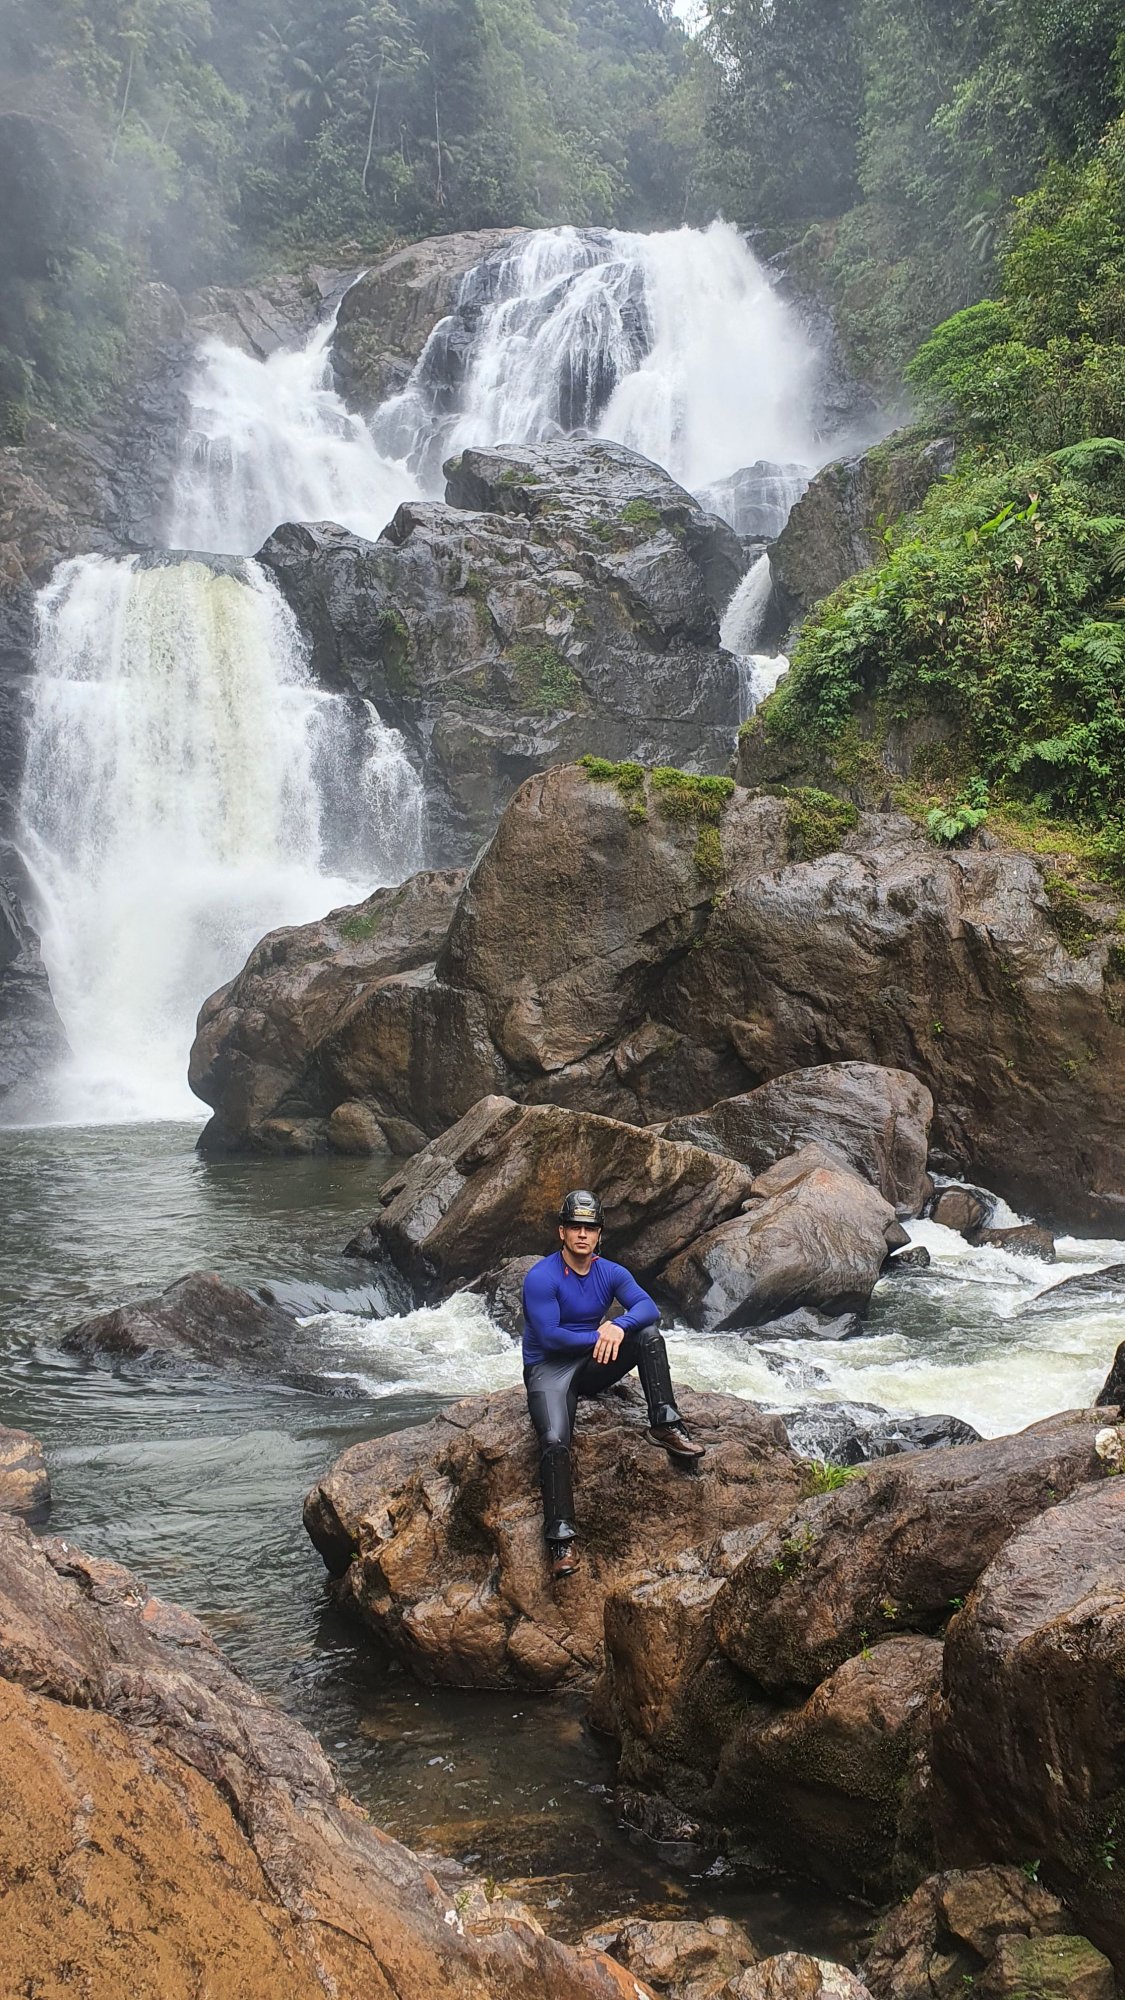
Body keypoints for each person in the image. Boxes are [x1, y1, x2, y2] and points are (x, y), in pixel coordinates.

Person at [522, 1188, 704, 1580]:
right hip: (549, 1369)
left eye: (589, 1228)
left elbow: (648, 1308)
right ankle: (561, 1541)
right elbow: (550, 1337)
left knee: (648, 1334)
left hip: (591, 1364)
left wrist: (618, 1326)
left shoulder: (611, 1272)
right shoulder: (541, 1277)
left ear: (599, 1233)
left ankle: (665, 1424)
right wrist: (599, 1336)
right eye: (575, 1227)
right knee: (554, 1440)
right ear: (561, 1232)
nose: (582, 1234)